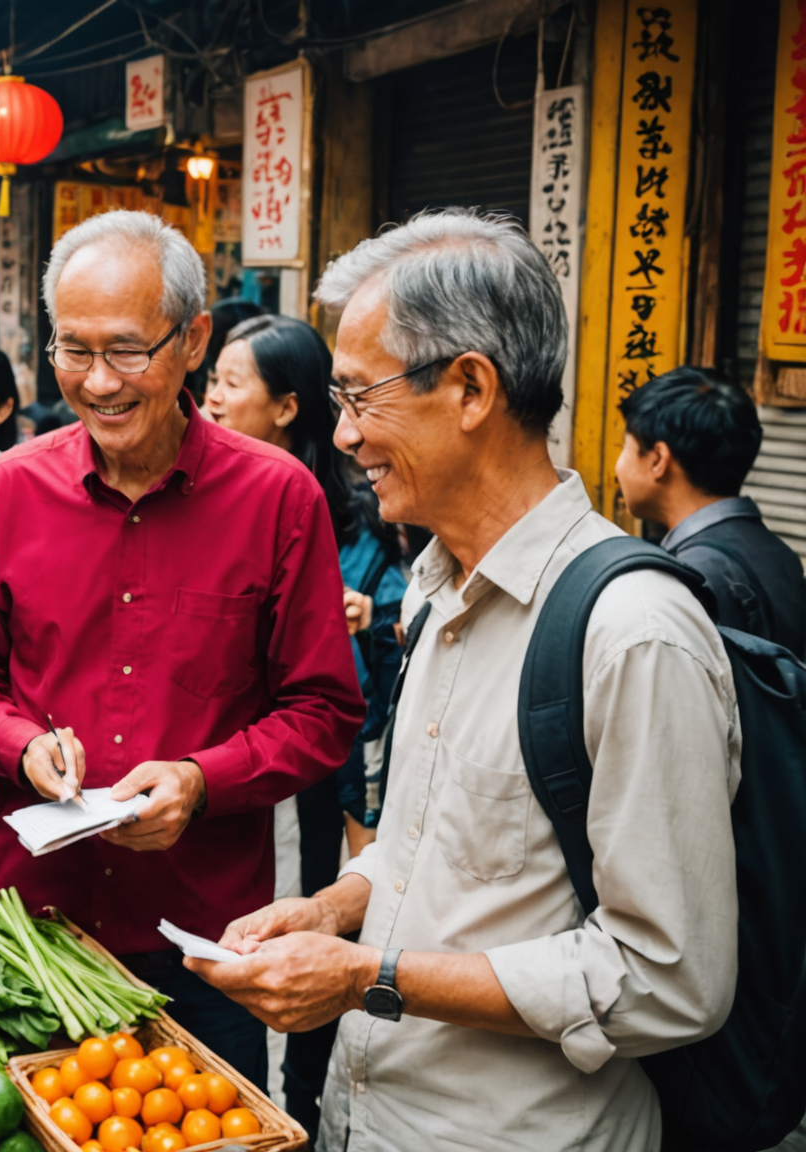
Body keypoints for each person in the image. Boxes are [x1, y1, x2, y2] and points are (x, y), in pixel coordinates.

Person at [189, 210, 740, 1152]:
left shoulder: (633, 633)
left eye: (360, 397)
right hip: (372, 1117)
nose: (346, 436)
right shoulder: (438, 594)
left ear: (471, 389)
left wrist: (370, 977)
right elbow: (432, 847)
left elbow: (668, 980)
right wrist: (333, 907)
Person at [0, 210, 365, 1088]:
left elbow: (323, 712)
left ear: (194, 339)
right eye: (72, 351)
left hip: (200, 942)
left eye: (128, 350)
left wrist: (202, 782)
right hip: (30, 933)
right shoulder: (7, 491)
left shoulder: (280, 498)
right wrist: (22, 745)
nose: (98, 382)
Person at [201, 312, 405, 1133]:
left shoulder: (364, 507)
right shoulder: (215, 497)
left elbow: (402, 617)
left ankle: (308, 1095)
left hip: (336, 762)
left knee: (323, 905)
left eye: (228, 383)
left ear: (288, 407)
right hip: (250, 757)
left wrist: (365, 615)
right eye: (209, 379)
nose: (210, 397)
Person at [616, 366, 806, 655]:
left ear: (658, 459)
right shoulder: (780, 554)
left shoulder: (691, 578)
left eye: (625, 446)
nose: (617, 466)